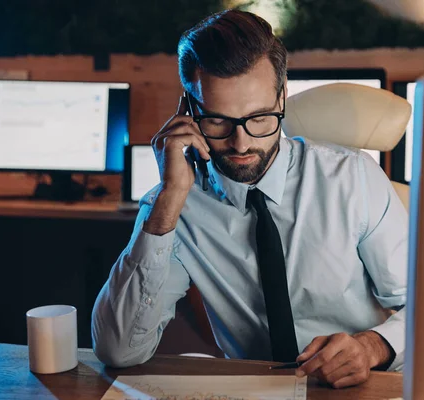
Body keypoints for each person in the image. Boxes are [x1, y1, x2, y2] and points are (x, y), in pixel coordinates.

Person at [92, 9, 407, 389]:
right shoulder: (174, 207)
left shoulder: (353, 179)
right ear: (189, 111)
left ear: (282, 95)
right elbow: (119, 350)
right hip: (250, 391)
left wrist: (373, 346)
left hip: (360, 387)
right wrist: (169, 200)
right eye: (218, 120)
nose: (241, 143)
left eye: (259, 118)